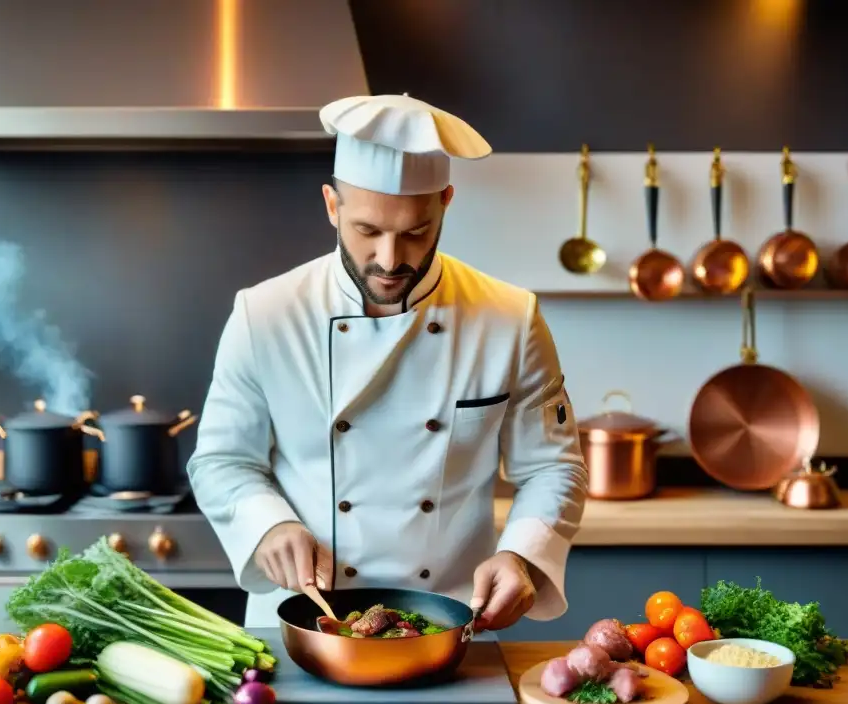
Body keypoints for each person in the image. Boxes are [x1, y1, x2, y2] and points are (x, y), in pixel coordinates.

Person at [188, 93, 588, 631]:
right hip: (303, 622)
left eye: (415, 232)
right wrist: (267, 525)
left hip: (448, 622)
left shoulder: (510, 319)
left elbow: (552, 466)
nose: (390, 258)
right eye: (368, 231)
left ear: (446, 201)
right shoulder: (264, 315)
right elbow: (220, 461)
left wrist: (520, 554)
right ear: (332, 206)